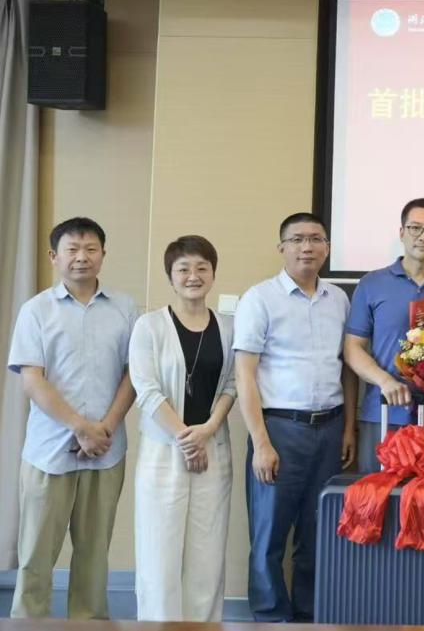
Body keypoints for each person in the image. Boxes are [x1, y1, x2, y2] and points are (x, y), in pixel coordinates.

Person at [6, 217, 136, 619]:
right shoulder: (36, 310)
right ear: (54, 256)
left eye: (91, 249)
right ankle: (28, 625)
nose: (82, 257)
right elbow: (32, 380)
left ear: (103, 255)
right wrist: (81, 428)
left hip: (106, 451)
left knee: (94, 556)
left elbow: (133, 374)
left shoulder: (125, 308)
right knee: (35, 555)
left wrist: (105, 429)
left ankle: (89, 624)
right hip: (49, 452)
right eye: (72, 249)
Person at [233, 212, 358, 622]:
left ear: (327, 247)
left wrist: (349, 426)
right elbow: (245, 375)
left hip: (330, 427)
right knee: (269, 535)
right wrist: (261, 442)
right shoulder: (259, 299)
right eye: (297, 239)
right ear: (282, 247)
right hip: (280, 430)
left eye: (316, 239)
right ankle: (270, 619)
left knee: (318, 533)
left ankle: (309, 617)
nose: (307, 247)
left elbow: (347, 367)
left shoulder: (339, 299)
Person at [129, 235, 236, 621]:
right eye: (183, 269)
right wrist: (186, 440)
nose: (193, 276)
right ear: (170, 276)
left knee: (207, 558)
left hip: (214, 450)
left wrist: (206, 431)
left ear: (213, 273)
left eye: (202, 267)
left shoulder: (229, 327)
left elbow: (232, 385)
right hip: (163, 452)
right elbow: (146, 390)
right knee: (159, 556)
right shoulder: (149, 326)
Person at [343, 198, 424, 471]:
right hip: (383, 410)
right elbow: (352, 348)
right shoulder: (371, 284)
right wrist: (385, 381)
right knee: (378, 492)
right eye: (415, 228)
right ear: (402, 233)